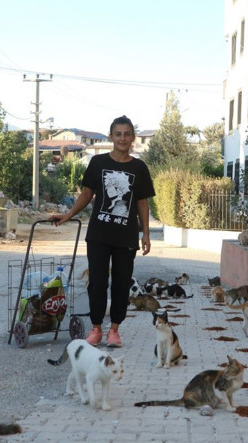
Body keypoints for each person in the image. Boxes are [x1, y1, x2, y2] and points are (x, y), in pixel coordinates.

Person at [48, 115, 154, 348]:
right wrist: (68, 215)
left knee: (121, 283)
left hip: (126, 236)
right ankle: (96, 329)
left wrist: (145, 234)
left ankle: (114, 330)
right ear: (111, 137)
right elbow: (87, 194)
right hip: (99, 235)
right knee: (97, 282)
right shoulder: (97, 163)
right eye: (118, 134)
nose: (123, 138)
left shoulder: (139, 167)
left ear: (133, 138)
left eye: (127, 134)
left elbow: (142, 203)